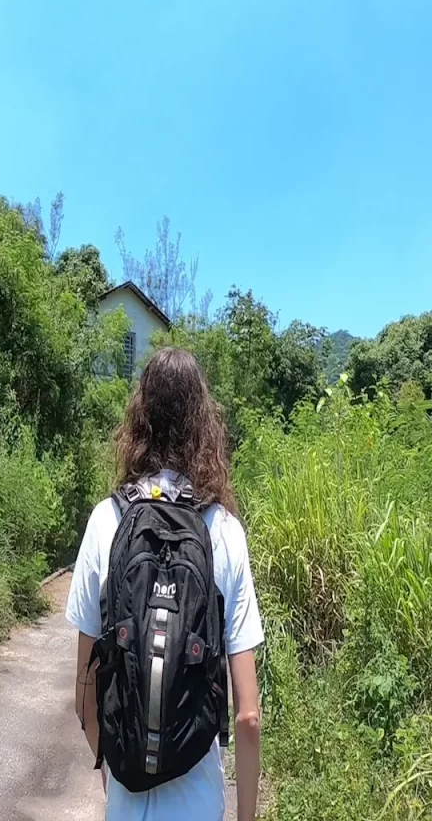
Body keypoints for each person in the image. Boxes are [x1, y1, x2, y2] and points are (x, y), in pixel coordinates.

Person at [66, 347, 264, 821]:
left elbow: (85, 692)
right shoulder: (223, 531)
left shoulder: (106, 521)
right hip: (199, 799)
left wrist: (115, 770)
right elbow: (248, 716)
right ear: (204, 424)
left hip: (127, 801)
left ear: (139, 418)